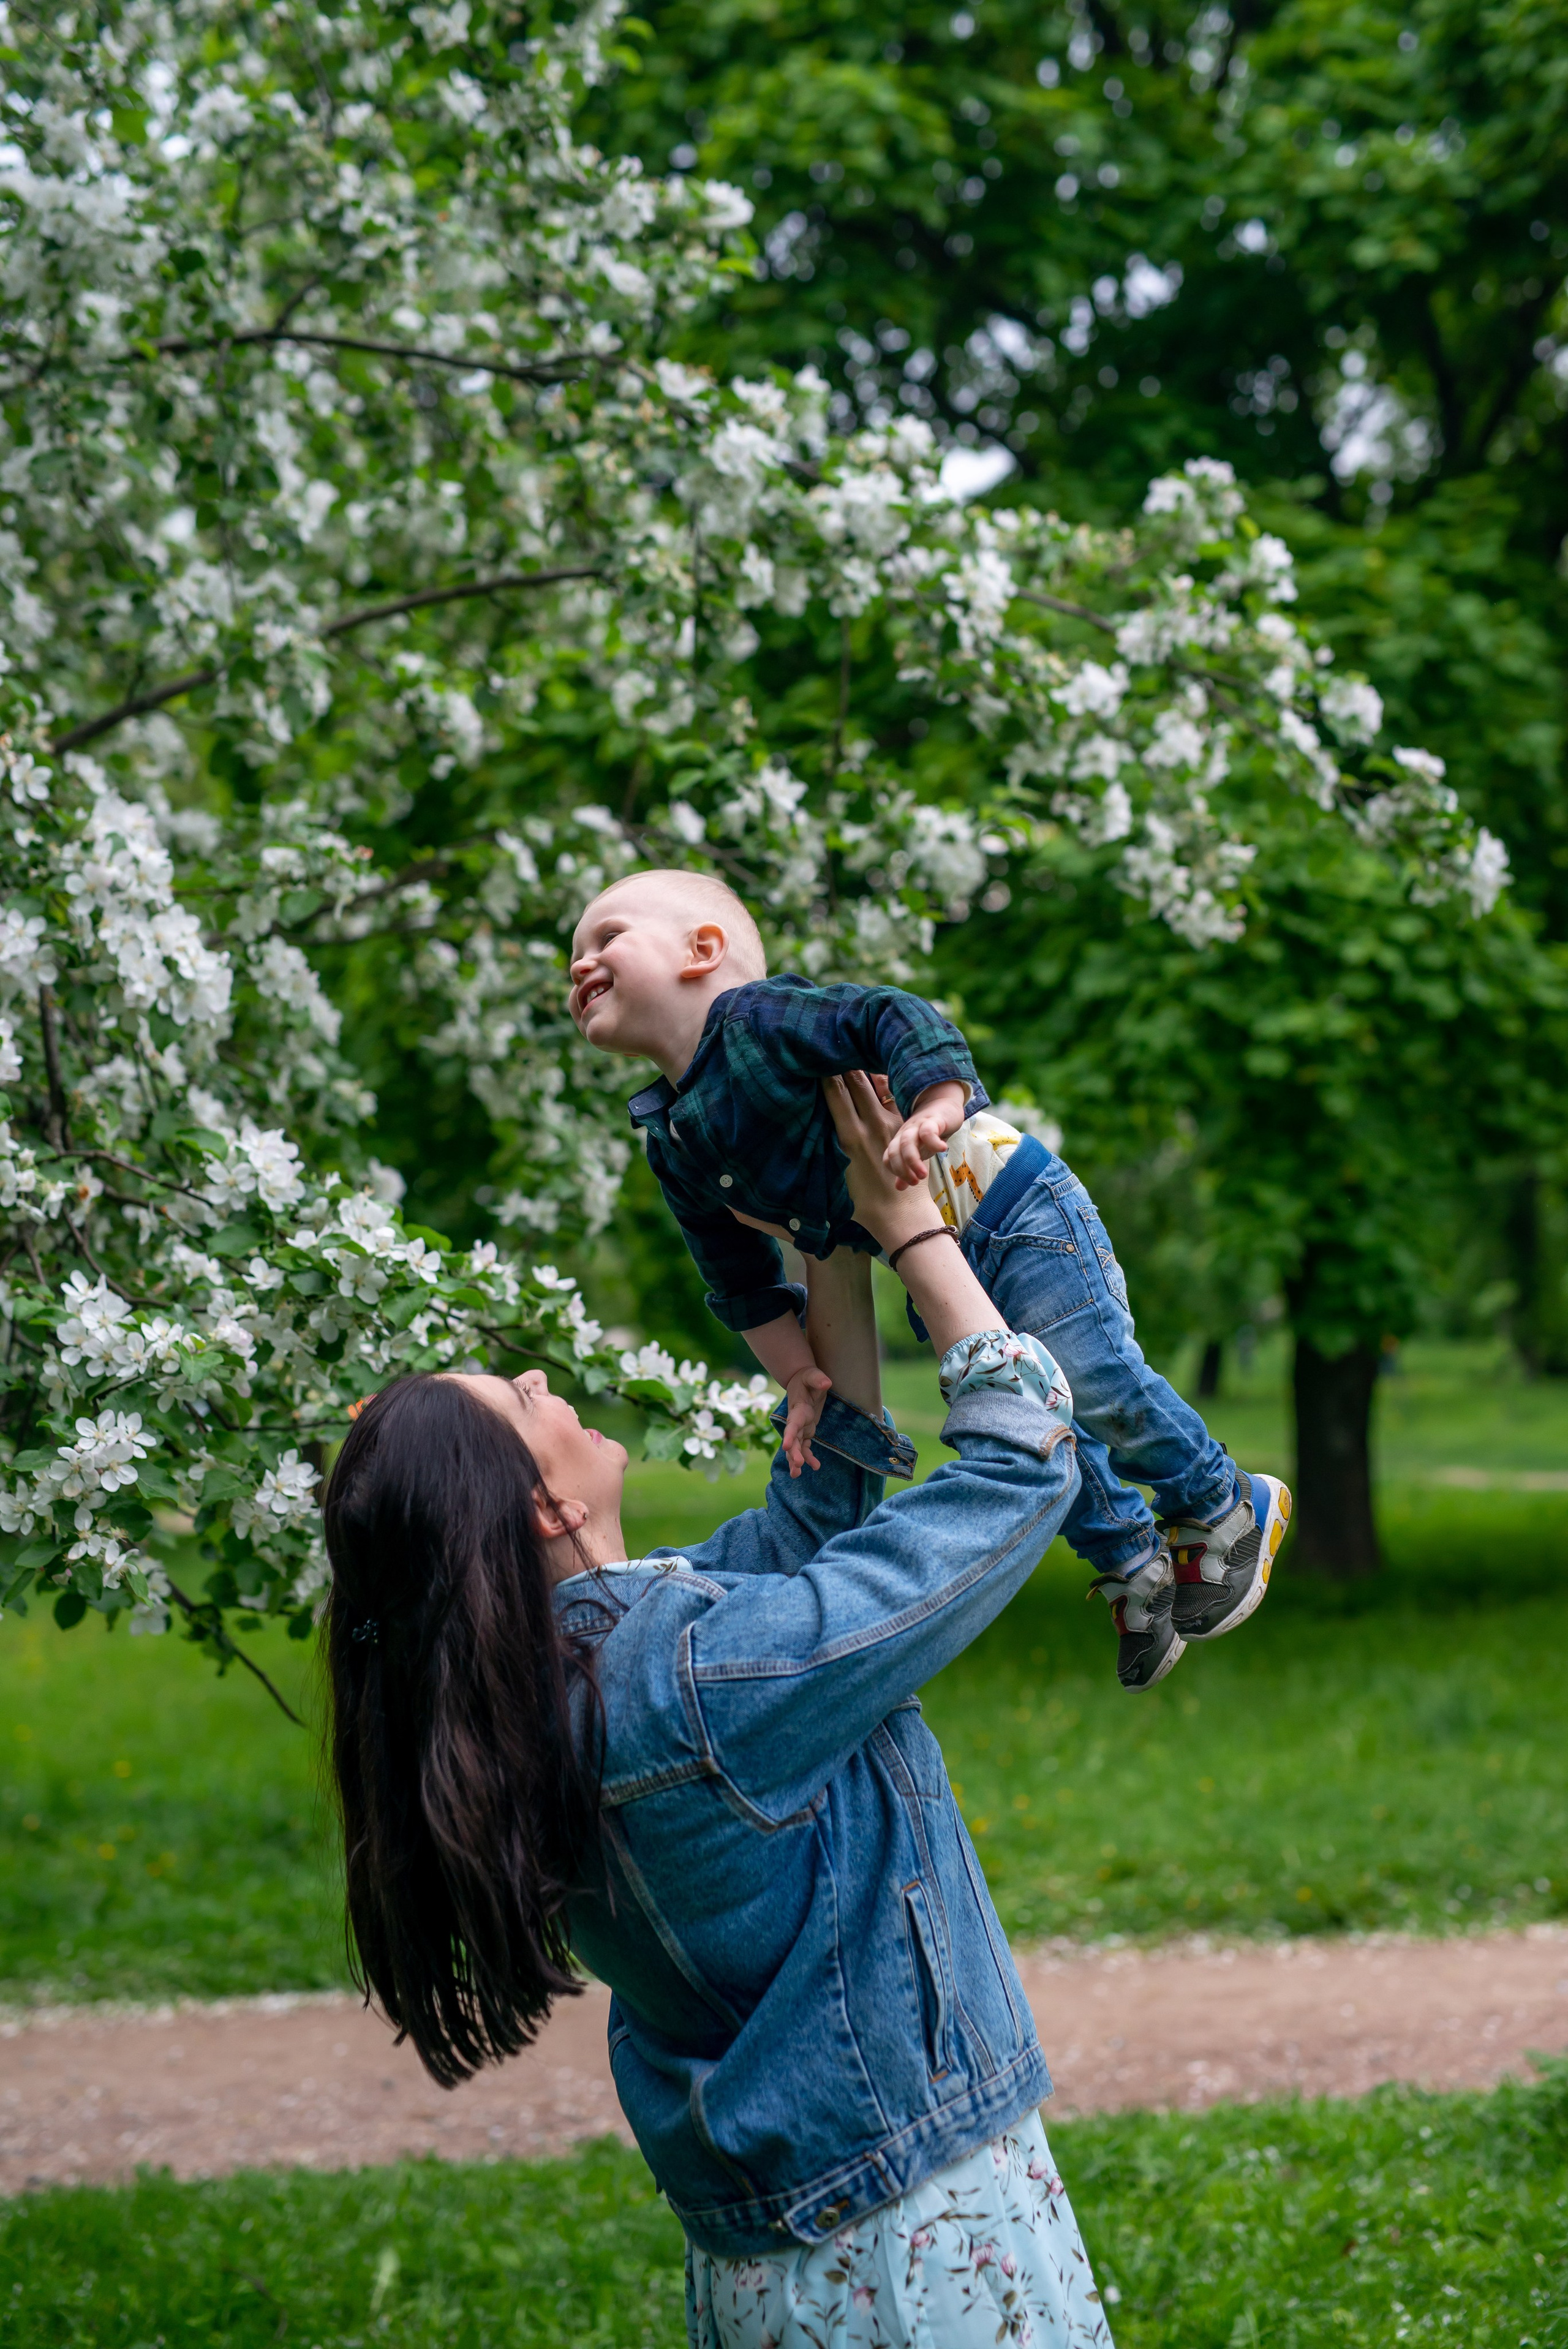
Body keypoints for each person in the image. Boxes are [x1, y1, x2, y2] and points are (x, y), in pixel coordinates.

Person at [324, 1073, 1115, 2348]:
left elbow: (815, 1524)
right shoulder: (693, 1687)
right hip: (909, 2233)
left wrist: (828, 1250)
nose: (540, 1375)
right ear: (541, 1508)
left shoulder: (557, 1686)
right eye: (523, 1401)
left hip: (780, 2245)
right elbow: (1018, 1463)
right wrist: (916, 1233)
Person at [567, 866, 1289, 1692]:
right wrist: (797, 1373)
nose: (581, 966)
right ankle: (1135, 1565)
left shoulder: (759, 1022)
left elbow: (885, 1015)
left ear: (704, 951)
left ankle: (1224, 1498)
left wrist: (937, 1105)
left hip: (1010, 1205)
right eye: (572, 960)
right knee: (1028, 1411)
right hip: (922, 1252)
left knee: (1089, 1380)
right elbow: (734, 1274)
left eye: (607, 938)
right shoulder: (672, 1138)